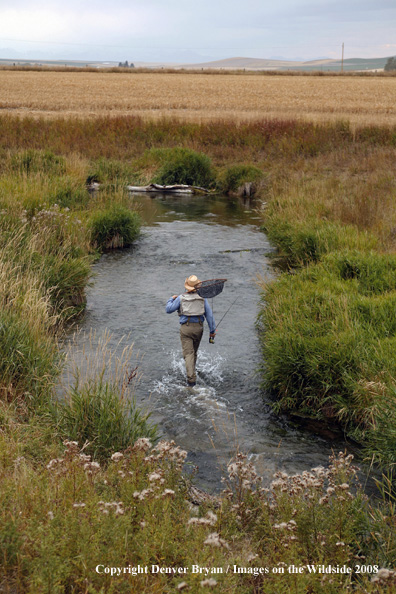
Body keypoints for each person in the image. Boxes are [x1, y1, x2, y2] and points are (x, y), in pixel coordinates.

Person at [166, 275, 216, 387]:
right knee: (194, 352)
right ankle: (192, 370)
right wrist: (212, 330)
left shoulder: (180, 298)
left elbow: (168, 310)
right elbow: (209, 316)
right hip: (199, 328)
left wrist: (171, 299)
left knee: (188, 354)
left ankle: (191, 380)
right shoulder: (203, 299)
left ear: (187, 287)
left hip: (186, 328)